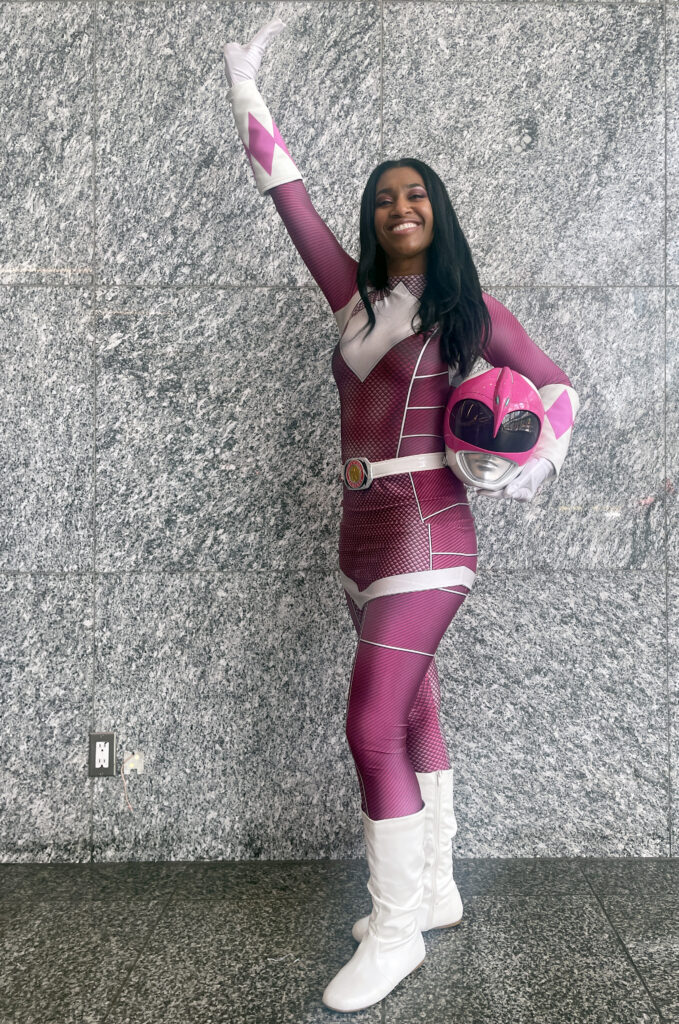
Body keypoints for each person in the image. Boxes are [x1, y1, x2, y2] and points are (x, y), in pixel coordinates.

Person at [223, 16, 580, 1015]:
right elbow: (283, 193)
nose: (398, 206)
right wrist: (244, 82)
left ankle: (394, 930)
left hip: (430, 527)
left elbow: (559, 390)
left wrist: (527, 461)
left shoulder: (469, 306)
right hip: (359, 536)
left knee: (370, 720)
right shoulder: (351, 300)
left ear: (439, 209)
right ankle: (434, 889)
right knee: (413, 710)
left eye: (414, 192)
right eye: (383, 198)